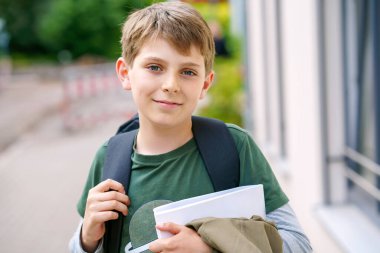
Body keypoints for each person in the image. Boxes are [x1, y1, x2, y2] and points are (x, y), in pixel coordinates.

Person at [70, 2, 312, 253]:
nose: (171, 84)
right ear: (125, 73)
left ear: (205, 84)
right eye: (154, 67)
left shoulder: (234, 148)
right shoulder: (109, 157)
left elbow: (300, 245)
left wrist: (212, 247)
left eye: (187, 71)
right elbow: (77, 247)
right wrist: (87, 239)